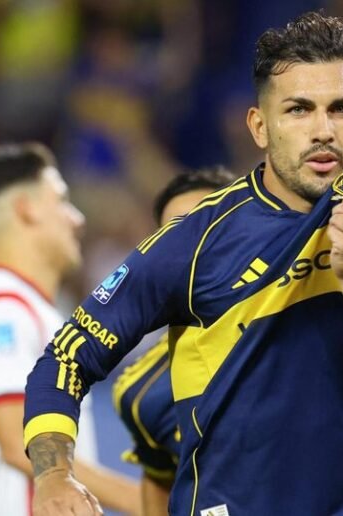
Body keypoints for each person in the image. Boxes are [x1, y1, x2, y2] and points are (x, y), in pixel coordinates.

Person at [24, 12, 343, 515]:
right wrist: (55, 474)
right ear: (259, 126)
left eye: (340, 109)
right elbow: (64, 360)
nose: (322, 130)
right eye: (298, 110)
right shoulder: (195, 240)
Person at [0, 143, 140, 516]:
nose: (77, 218)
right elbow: (21, 442)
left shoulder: (34, 311)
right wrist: (147, 504)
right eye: (62, 200)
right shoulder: (1, 308)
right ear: (27, 208)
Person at [112, 167, 238, 516]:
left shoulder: (325, 327)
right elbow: (159, 486)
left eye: (208, 228)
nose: (191, 251)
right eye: (174, 238)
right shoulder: (142, 393)